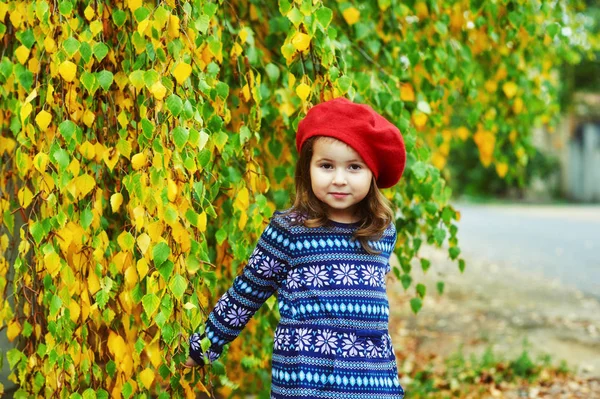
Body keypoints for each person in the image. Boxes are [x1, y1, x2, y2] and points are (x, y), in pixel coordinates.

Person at [185, 97, 407, 398]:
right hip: (307, 381)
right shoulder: (290, 231)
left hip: (371, 380)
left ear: (373, 174)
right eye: (326, 165)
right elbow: (247, 293)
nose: (339, 179)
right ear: (308, 168)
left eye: (354, 167)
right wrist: (203, 347)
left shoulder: (381, 231)